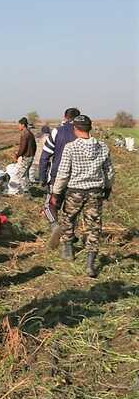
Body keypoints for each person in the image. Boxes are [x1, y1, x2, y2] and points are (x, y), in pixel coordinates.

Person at [51, 115, 115, 277]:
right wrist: (107, 188)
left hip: (75, 192)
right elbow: (109, 171)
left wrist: (56, 192)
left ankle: (68, 250)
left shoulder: (70, 147)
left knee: (68, 219)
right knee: (94, 226)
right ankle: (90, 264)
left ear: (76, 129)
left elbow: (63, 173)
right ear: (89, 128)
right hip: (95, 192)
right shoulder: (102, 147)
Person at [39, 108, 80, 249]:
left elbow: (45, 156)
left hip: (57, 176)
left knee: (50, 205)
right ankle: (68, 243)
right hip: (76, 178)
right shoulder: (81, 133)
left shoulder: (57, 131)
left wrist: (42, 177)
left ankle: (55, 226)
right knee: (71, 210)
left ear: (64, 117)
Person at [14, 117, 37, 194]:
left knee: (21, 174)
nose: (18, 126)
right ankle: (28, 189)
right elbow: (35, 146)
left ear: (23, 125)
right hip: (30, 156)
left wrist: (18, 155)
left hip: (27, 157)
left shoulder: (24, 134)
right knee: (25, 173)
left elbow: (22, 147)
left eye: (19, 125)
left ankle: (25, 191)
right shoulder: (30, 133)